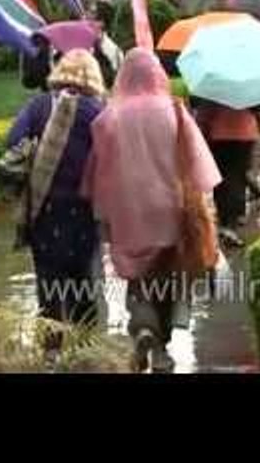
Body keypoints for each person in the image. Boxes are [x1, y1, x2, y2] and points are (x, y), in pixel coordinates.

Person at [81, 49, 221, 373]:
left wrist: (98, 207)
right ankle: (161, 349)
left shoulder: (107, 119)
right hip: (170, 209)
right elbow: (198, 163)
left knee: (137, 277)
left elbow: (97, 170)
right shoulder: (174, 111)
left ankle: (144, 329)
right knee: (170, 279)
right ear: (158, 75)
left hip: (127, 210)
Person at [6, 49, 107, 363]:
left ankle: (51, 350)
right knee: (84, 281)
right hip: (85, 211)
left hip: (45, 211)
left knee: (49, 281)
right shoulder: (98, 111)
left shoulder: (38, 106)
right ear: (93, 76)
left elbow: (13, 141)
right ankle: (84, 350)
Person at [195, 100, 260, 247]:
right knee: (238, 175)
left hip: (219, 137)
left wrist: (202, 132)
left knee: (221, 177)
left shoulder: (214, 92)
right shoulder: (249, 91)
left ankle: (225, 216)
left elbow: (204, 116)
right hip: (246, 136)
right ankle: (236, 215)